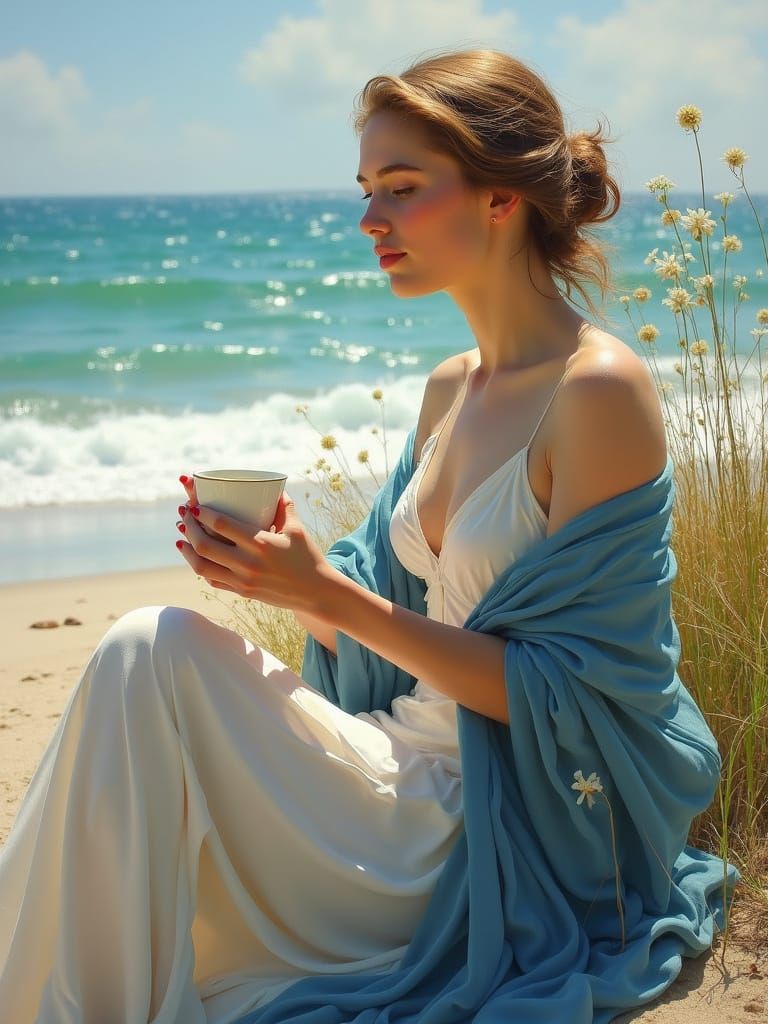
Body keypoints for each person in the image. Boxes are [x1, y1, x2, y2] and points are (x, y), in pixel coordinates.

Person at [0, 48, 736, 1024]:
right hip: (389, 770)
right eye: (366, 190)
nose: (369, 222)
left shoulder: (595, 392)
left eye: (401, 189)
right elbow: (378, 619)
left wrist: (331, 597)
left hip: (481, 825)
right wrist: (290, 577)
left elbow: (578, 692)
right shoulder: (449, 386)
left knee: (151, 649)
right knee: (148, 656)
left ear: (501, 198)